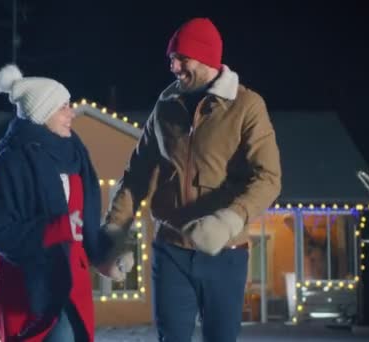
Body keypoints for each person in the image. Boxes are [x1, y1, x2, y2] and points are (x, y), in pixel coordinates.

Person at [102, 18, 282, 341]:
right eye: (172, 59)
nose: (173, 66)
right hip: (170, 249)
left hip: (225, 253)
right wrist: (112, 234)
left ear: (207, 58)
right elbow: (135, 177)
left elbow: (268, 177)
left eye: (181, 58)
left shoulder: (246, 106)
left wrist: (228, 220)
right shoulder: (165, 106)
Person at [0, 65, 133, 342]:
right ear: (41, 112)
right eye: (63, 107)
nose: (71, 113)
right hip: (32, 290)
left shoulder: (75, 153)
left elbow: (84, 222)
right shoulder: (11, 160)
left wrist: (106, 255)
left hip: (73, 285)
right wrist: (53, 229)